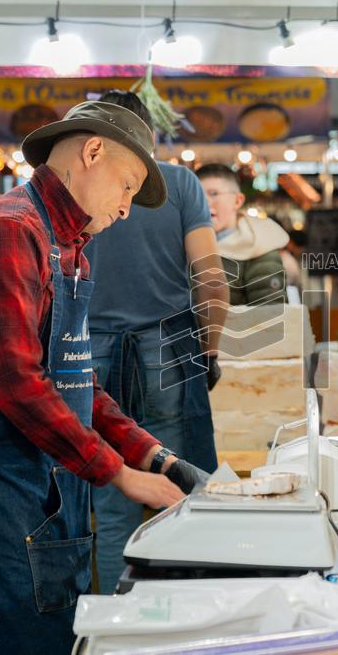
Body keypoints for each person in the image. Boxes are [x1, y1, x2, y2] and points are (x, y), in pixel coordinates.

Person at [0, 101, 209, 655]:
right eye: (125, 187)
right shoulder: (6, 230)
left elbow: (75, 381)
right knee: (23, 643)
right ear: (92, 151)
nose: (125, 210)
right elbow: (18, 385)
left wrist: (157, 458)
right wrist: (118, 473)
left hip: (47, 476)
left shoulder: (71, 250)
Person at [85, 89, 229, 594]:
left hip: (89, 356)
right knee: (180, 486)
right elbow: (211, 280)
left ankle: (114, 624)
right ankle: (181, 613)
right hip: (167, 350)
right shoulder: (181, 183)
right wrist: (210, 349)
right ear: (150, 136)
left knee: (112, 496)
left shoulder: (79, 188)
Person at [196, 164, 288, 305]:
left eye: (213, 193)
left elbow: (270, 314)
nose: (204, 201)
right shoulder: (185, 245)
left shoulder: (259, 244)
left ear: (238, 201)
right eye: (196, 194)